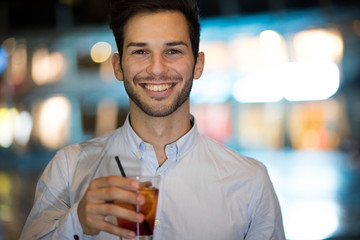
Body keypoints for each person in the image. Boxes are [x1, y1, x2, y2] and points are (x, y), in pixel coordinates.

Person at [20, 0, 285, 239]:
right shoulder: (69, 169)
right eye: (140, 52)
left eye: (173, 51)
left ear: (198, 64)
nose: (157, 69)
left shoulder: (250, 181)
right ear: (117, 66)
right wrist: (76, 224)